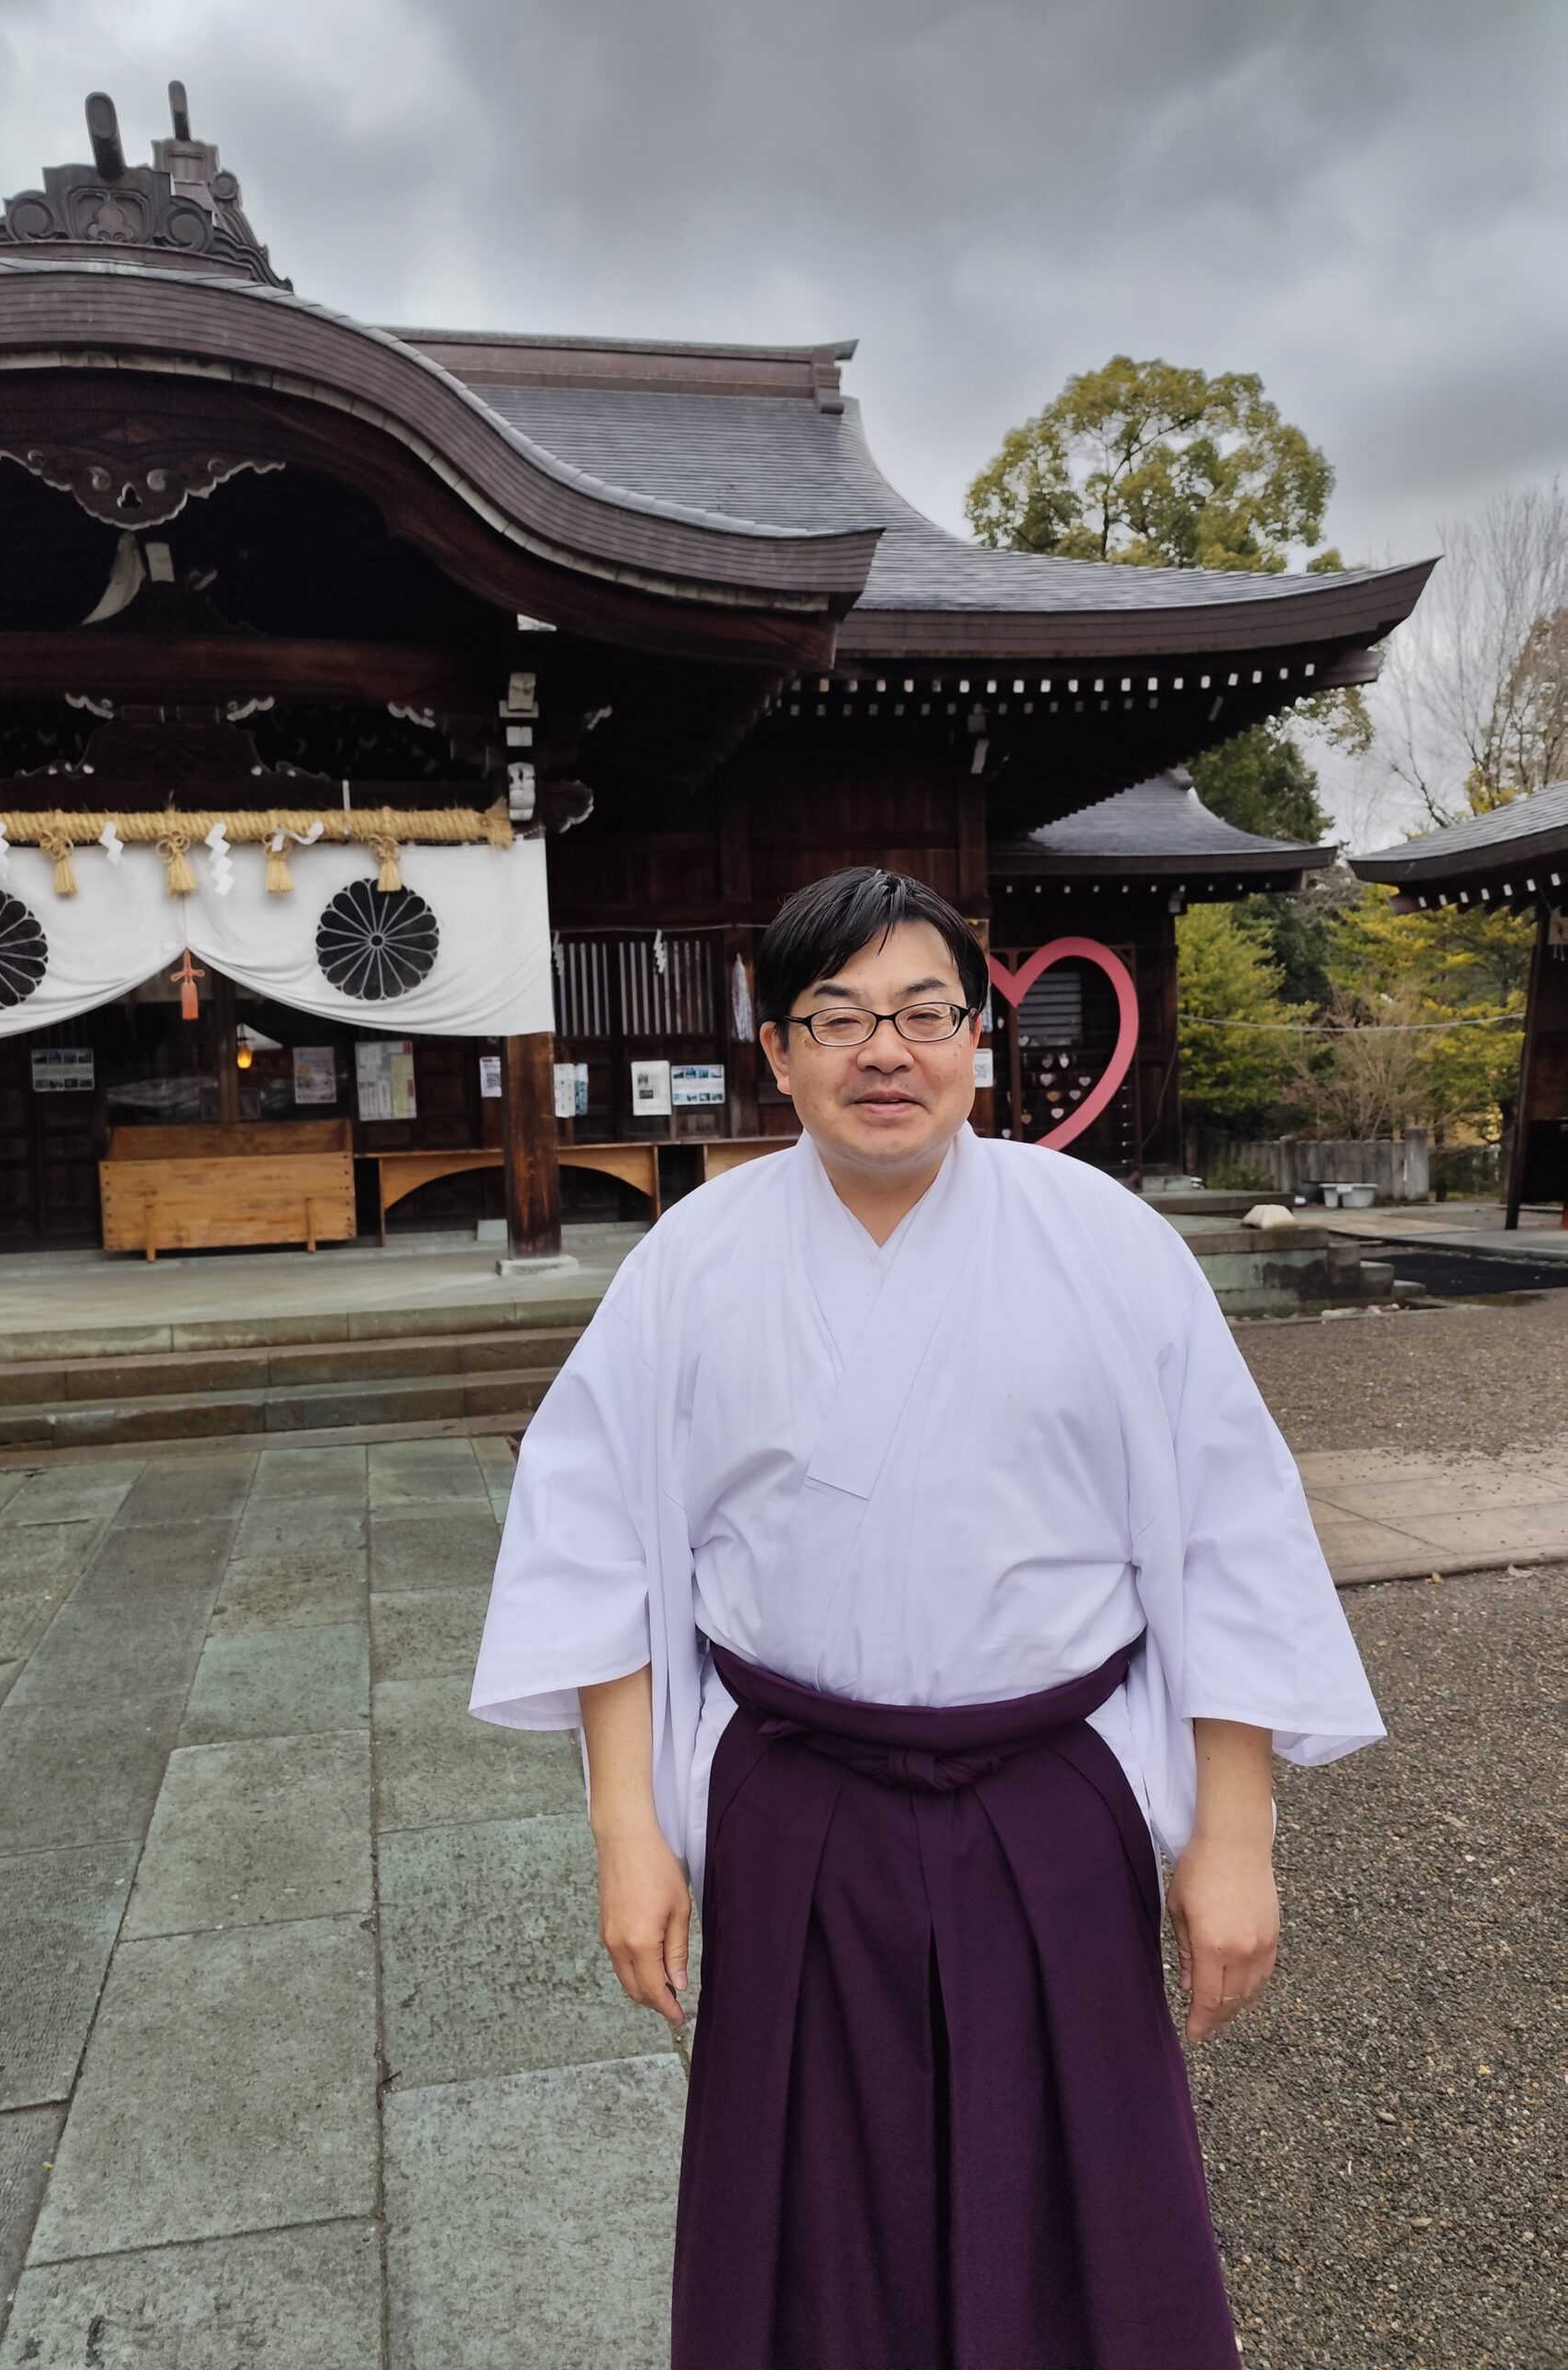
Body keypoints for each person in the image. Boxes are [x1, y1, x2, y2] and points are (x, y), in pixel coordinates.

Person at [470, 867, 1383, 2369]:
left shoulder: (1108, 1247)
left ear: (980, 1036)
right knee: (809, 2213)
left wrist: (1235, 1834)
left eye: (921, 1013)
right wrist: (627, 1836)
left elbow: (1231, 1544)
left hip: (1051, 1791)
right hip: (795, 1799)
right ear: (776, 1050)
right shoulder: (688, 1266)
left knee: (1083, 2190)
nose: (881, 1052)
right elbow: (597, 1555)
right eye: (836, 1018)